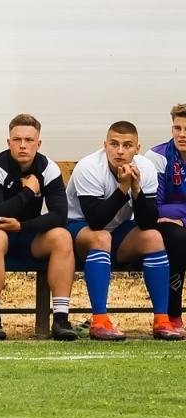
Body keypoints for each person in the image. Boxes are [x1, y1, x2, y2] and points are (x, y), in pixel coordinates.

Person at [0, 114, 76, 342]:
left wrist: (22, 226)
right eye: (17, 140)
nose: (22, 145)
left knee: (62, 237)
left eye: (28, 140)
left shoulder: (48, 168)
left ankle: (61, 320)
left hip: (24, 232)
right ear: (8, 142)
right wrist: (28, 192)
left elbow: (60, 215)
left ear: (38, 143)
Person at [65, 121, 179, 341]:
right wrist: (122, 189)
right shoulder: (89, 167)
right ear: (105, 145)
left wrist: (136, 191)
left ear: (137, 148)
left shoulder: (145, 167)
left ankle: (162, 320)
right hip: (79, 230)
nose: (120, 151)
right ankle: (99, 320)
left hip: (117, 231)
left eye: (127, 145)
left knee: (154, 238)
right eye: (114, 144)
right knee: (101, 236)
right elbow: (96, 221)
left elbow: (148, 223)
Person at [142, 105, 186, 337]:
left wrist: (181, 216)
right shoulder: (157, 157)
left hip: (178, 221)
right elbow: (155, 207)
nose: (182, 134)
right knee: (177, 237)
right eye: (177, 128)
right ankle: (172, 314)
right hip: (160, 225)